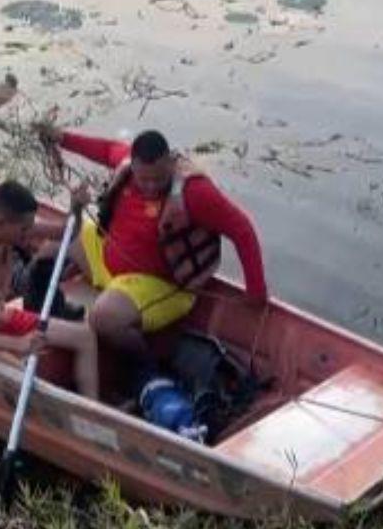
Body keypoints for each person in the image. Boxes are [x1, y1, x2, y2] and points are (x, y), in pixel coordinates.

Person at [41, 126, 268, 372]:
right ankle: (37, 314)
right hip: (108, 262)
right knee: (56, 239)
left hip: (158, 285)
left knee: (103, 317)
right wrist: (63, 138)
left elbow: (242, 230)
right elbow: (106, 150)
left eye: (158, 179)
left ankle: (147, 372)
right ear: (134, 166)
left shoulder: (194, 192)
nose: (150, 186)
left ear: (169, 163)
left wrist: (256, 291)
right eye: (143, 180)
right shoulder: (128, 164)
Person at [0, 180, 99, 399]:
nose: (30, 234)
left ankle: (92, 412)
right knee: (26, 382)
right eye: (25, 229)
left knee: (85, 337)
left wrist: (75, 209)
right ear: (1, 223)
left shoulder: (2, 225)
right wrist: (17, 345)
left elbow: (65, 232)